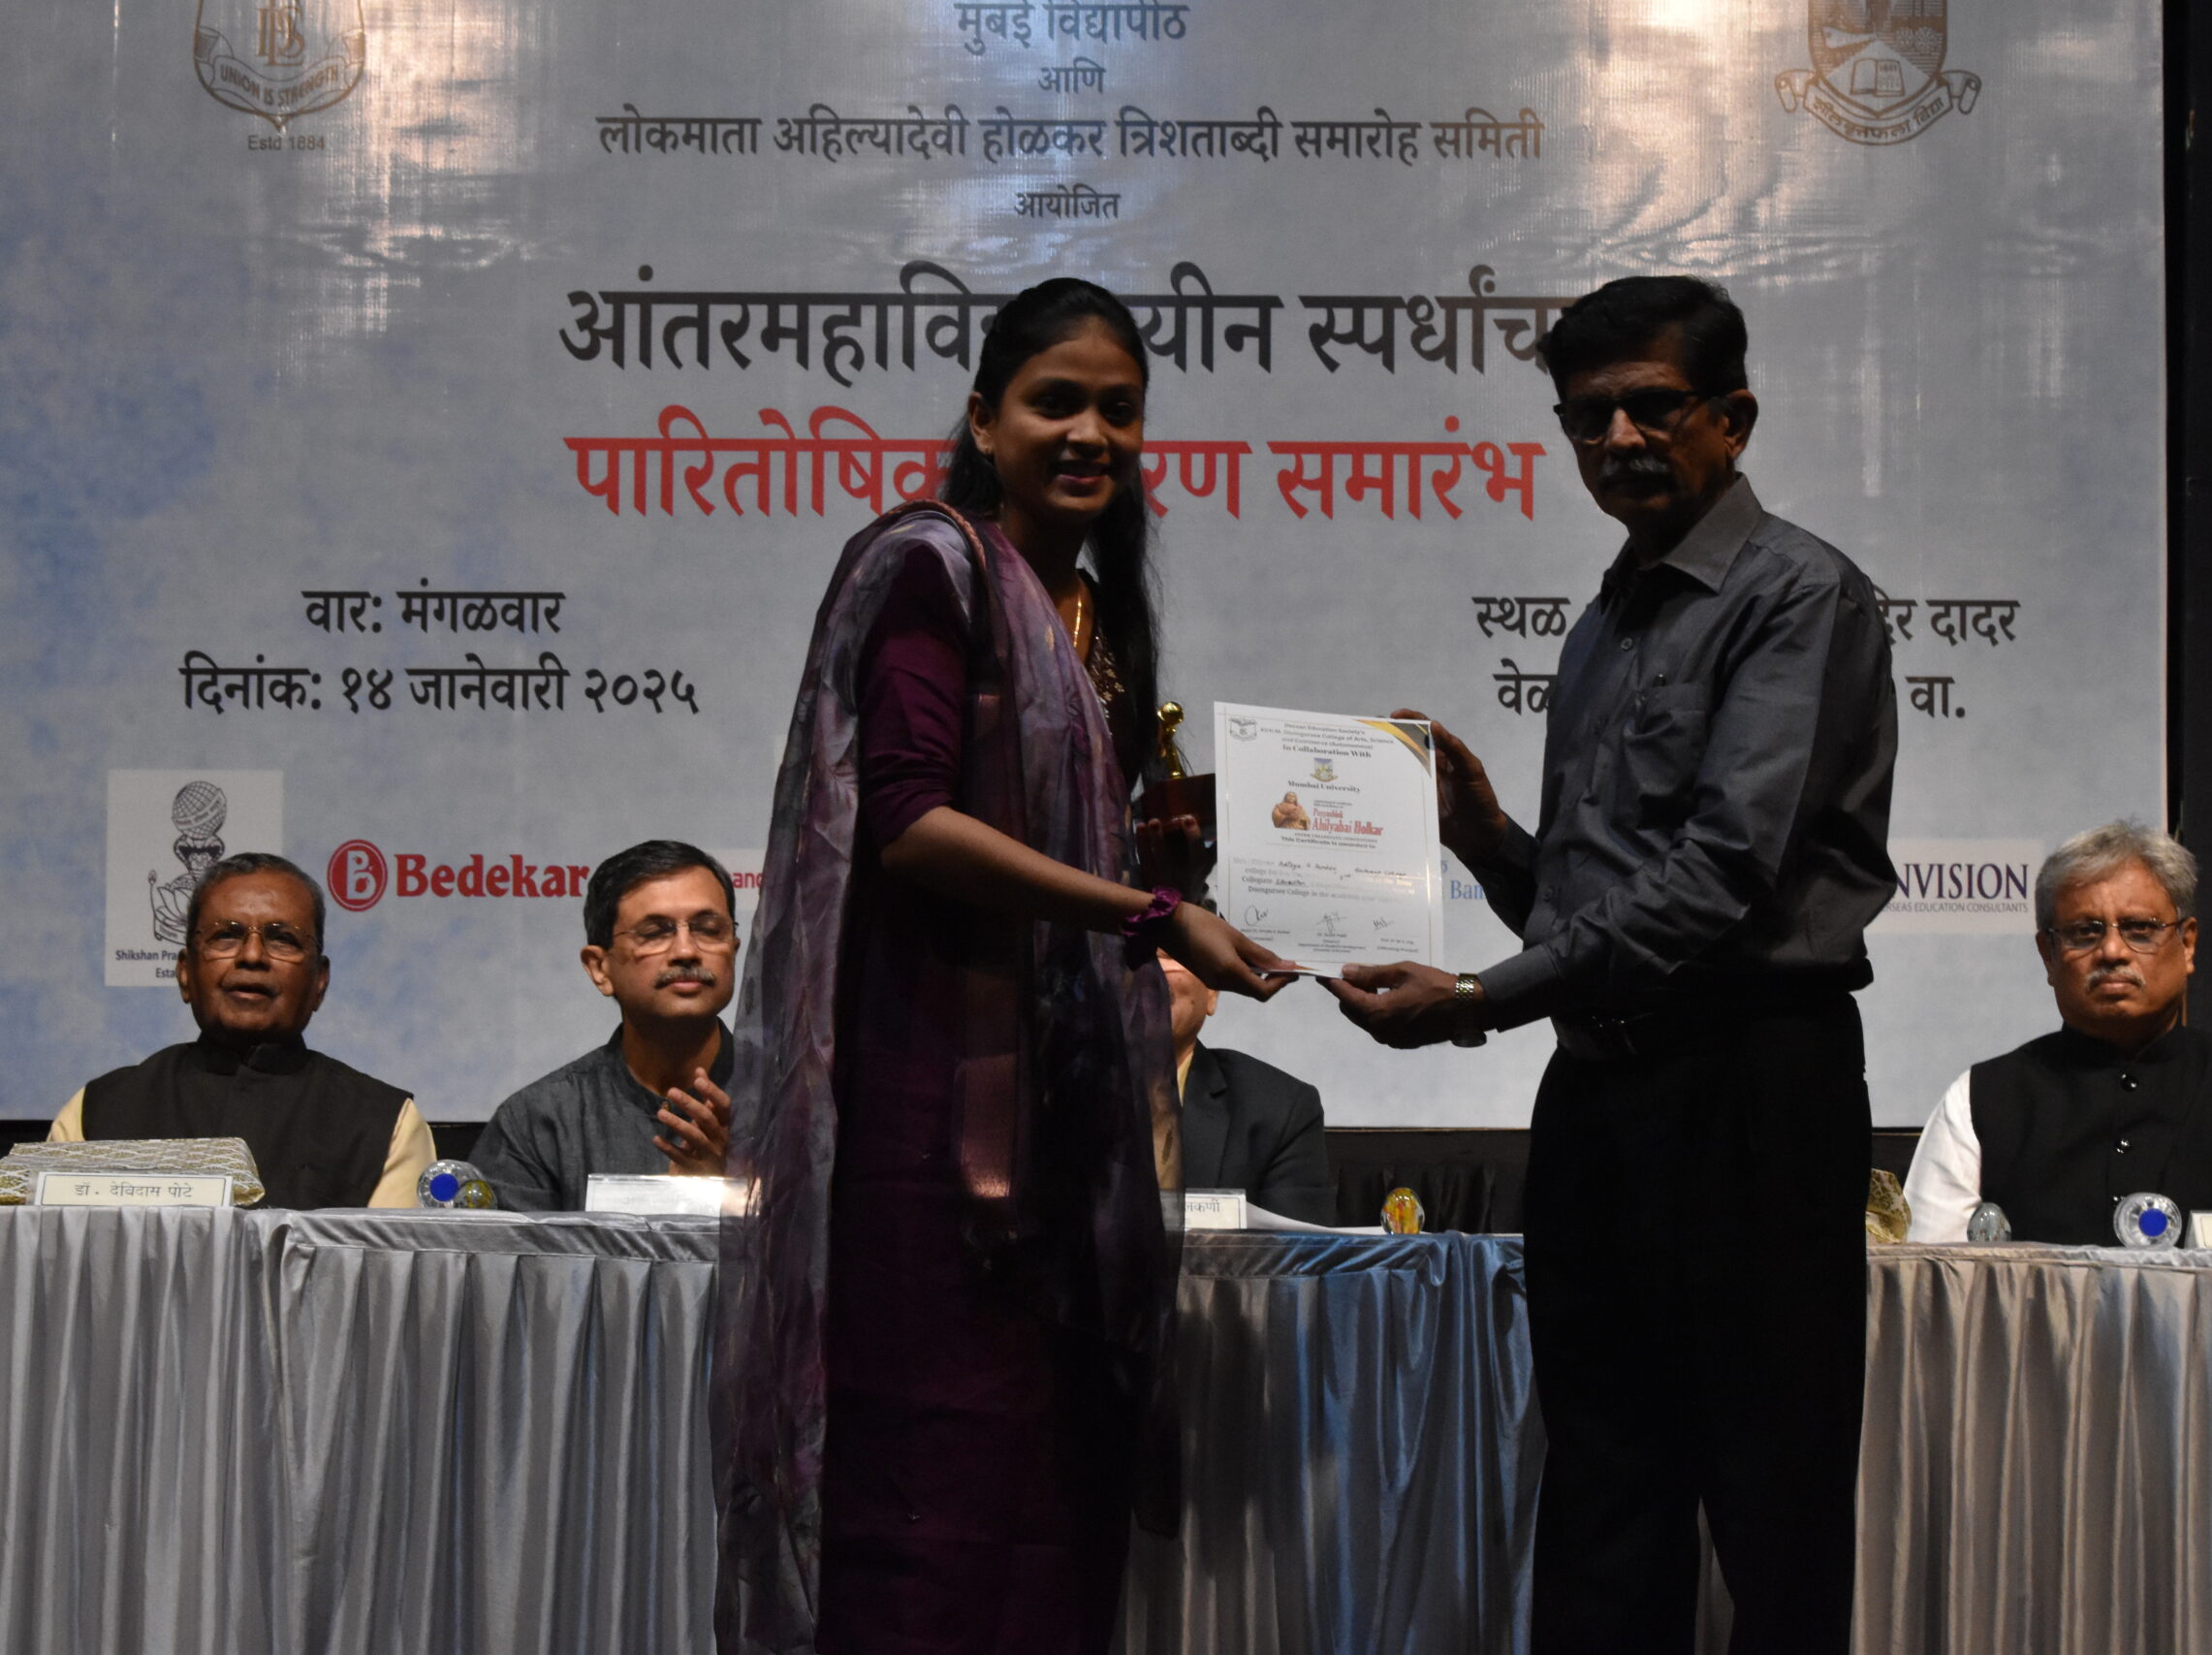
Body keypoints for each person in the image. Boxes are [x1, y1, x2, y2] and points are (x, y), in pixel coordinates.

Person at [713, 278, 1294, 1655]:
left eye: (1120, 409)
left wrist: (1196, 845)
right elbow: (910, 822)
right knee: (934, 1485)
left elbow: (1081, 840)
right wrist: (1149, 911)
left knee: (1047, 1487)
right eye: (1056, 402)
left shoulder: (1089, 609)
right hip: (929, 1118)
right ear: (984, 418)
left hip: (1065, 1123)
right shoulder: (933, 567)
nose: (1091, 432)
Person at [1327, 275, 1897, 1654]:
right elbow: (1586, 906)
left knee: (1772, 1509)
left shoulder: (1798, 594)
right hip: (1601, 1096)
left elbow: (1720, 876)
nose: (1620, 439)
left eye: (1654, 407)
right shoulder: (1599, 624)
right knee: (1601, 1498)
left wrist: (1477, 1003)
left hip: (1752, 1087)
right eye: (1589, 418)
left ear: (1733, 417)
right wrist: (1484, 842)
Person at [1905, 820, 2212, 1243]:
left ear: (2187, 944)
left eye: (2140, 929)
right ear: (2048, 955)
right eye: (2084, 932)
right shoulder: (1979, 1099)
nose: (2112, 951)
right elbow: (1930, 1279)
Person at [51, 851, 433, 1208]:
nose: (252, 956)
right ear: (185, 973)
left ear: (319, 981)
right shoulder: (97, 1110)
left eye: (282, 939)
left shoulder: (385, 1124)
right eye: (226, 936)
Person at [467, 840, 739, 1211]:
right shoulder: (538, 1122)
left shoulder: (796, 1105)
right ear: (600, 968)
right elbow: (507, 1251)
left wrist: (740, 1188)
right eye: (655, 932)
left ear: (734, 950)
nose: (686, 951)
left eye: (707, 929)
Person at [1159, 952, 1335, 1224]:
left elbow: (1294, 1249)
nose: (1151, 971)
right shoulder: (1082, 1094)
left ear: (1212, 992)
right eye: (1128, 951)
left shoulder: (1280, 1110)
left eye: (1169, 954)